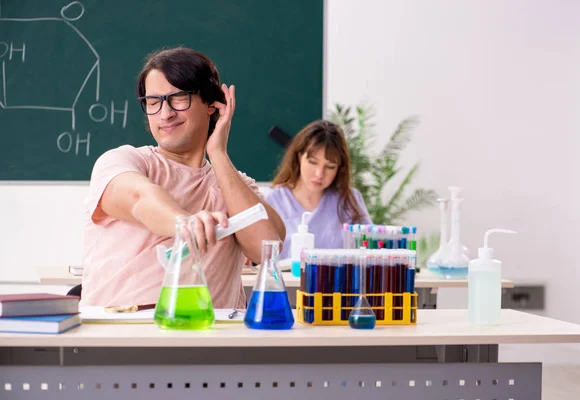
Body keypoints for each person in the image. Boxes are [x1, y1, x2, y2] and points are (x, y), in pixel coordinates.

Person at [80, 47, 285, 308]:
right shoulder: (124, 161)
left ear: (213, 103)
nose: (165, 114)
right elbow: (139, 199)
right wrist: (186, 223)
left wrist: (218, 154)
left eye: (178, 98)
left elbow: (267, 249)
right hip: (124, 334)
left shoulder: (237, 185)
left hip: (209, 339)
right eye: (153, 102)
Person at [265, 120, 372, 258]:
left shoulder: (349, 200)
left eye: (330, 167)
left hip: (338, 279)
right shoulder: (272, 201)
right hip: (286, 280)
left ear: (340, 168)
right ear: (299, 157)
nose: (319, 174)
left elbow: (370, 250)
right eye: (313, 162)